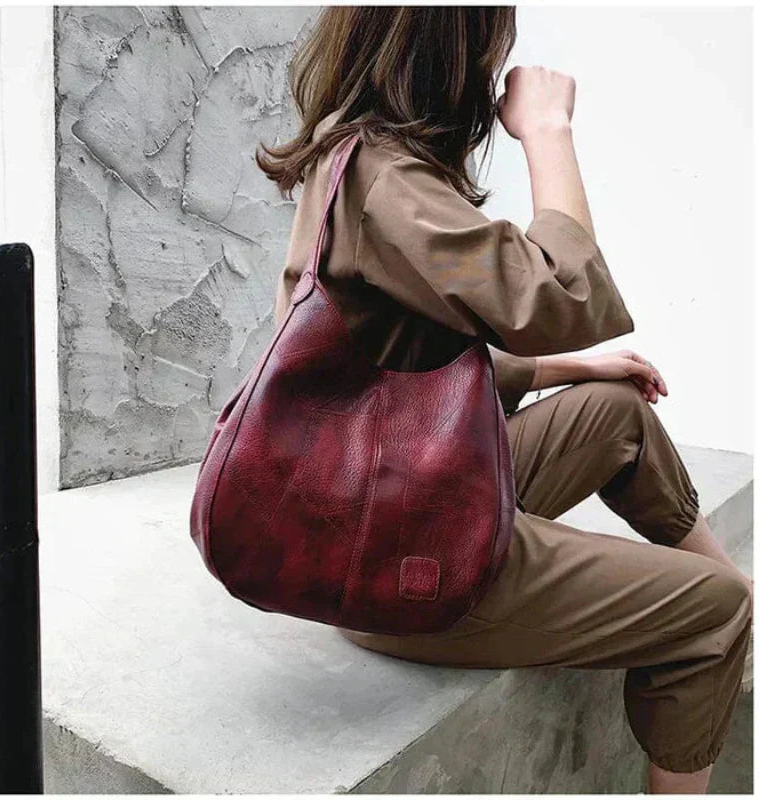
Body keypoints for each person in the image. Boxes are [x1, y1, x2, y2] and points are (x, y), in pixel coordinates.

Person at [257, 8, 752, 794]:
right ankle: (734, 618)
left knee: (615, 410)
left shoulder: (352, 155)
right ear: (453, 51)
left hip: (384, 505)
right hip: (403, 569)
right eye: (492, 42)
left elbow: (397, 354)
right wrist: (548, 130)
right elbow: (561, 293)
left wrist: (564, 368)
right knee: (714, 611)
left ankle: (747, 606)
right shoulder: (390, 185)